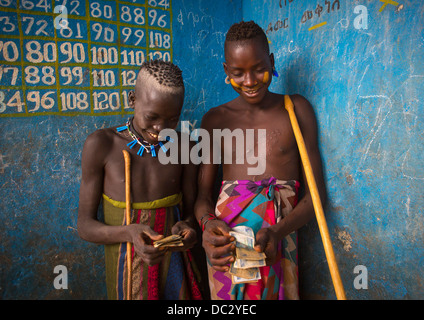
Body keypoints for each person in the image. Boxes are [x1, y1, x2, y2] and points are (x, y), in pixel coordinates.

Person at [194, 21, 326, 300]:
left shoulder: (295, 109)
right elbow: (202, 197)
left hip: (279, 240)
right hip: (226, 248)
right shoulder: (214, 120)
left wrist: (278, 232)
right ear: (226, 71)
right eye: (238, 73)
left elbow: (316, 197)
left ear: (272, 61)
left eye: (258, 68)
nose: (250, 81)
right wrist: (206, 226)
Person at [77, 60, 202, 300]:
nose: (160, 128)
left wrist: (187, 227)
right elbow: (84, 226)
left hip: (174, 268)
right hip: (125, 269)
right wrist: (130, 233)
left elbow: (189, 212)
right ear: (133, 99)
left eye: (172, 120)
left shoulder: (185, 147)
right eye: (152, 117)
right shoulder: (102, 145)